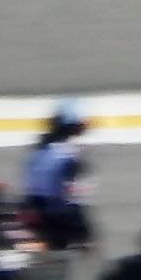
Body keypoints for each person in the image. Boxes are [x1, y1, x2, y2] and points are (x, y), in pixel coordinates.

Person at [18, 106, 93, 253]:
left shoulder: (39, 148)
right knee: (78, 237)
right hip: (54, 209)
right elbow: (73, 191)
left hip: (30, 203)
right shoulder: (69, 153)